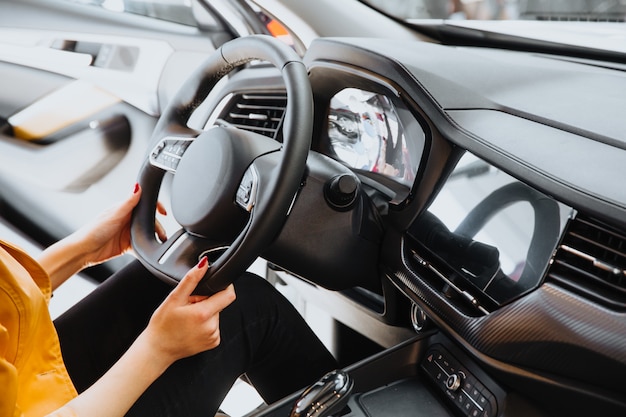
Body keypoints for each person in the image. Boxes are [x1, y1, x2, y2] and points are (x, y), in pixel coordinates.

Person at [0, 183, 337, 417]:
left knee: (162, 284)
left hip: (25, 383)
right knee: (248, 309)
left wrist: (84, 250)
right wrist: (157, 349)